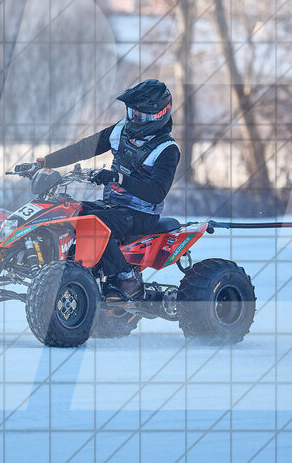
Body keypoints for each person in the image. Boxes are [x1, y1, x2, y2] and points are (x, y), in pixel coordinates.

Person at [13, 79, 180, 301]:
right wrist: (44, 163)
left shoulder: (167, 149)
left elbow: (157, 191)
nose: (134, 119)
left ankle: (126, 277)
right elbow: (83, 148)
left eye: (141, 116)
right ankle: (60, 267)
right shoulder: (120, 129)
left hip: (141, 214)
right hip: (114, 206)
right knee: (66, 210)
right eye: (132, 113)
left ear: (159, 115)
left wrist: (118, 178)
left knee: (93, 223)